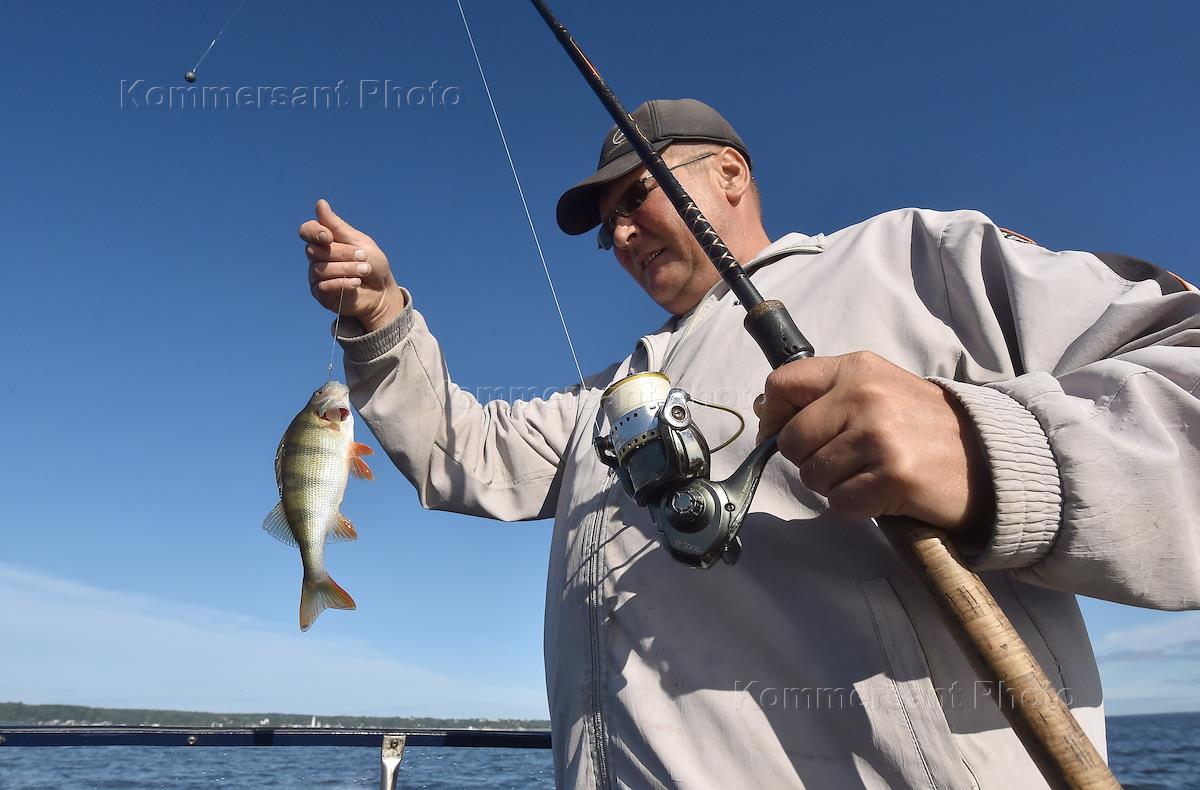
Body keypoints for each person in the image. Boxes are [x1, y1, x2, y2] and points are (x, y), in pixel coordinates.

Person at [299, 98, 1200, 788]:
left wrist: (986, 447)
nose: (620, 234)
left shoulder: (910, 258)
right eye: (607, 228)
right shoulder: (610, 396)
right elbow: (463, 450)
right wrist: (379, 321)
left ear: (729, 173)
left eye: (637, 196)